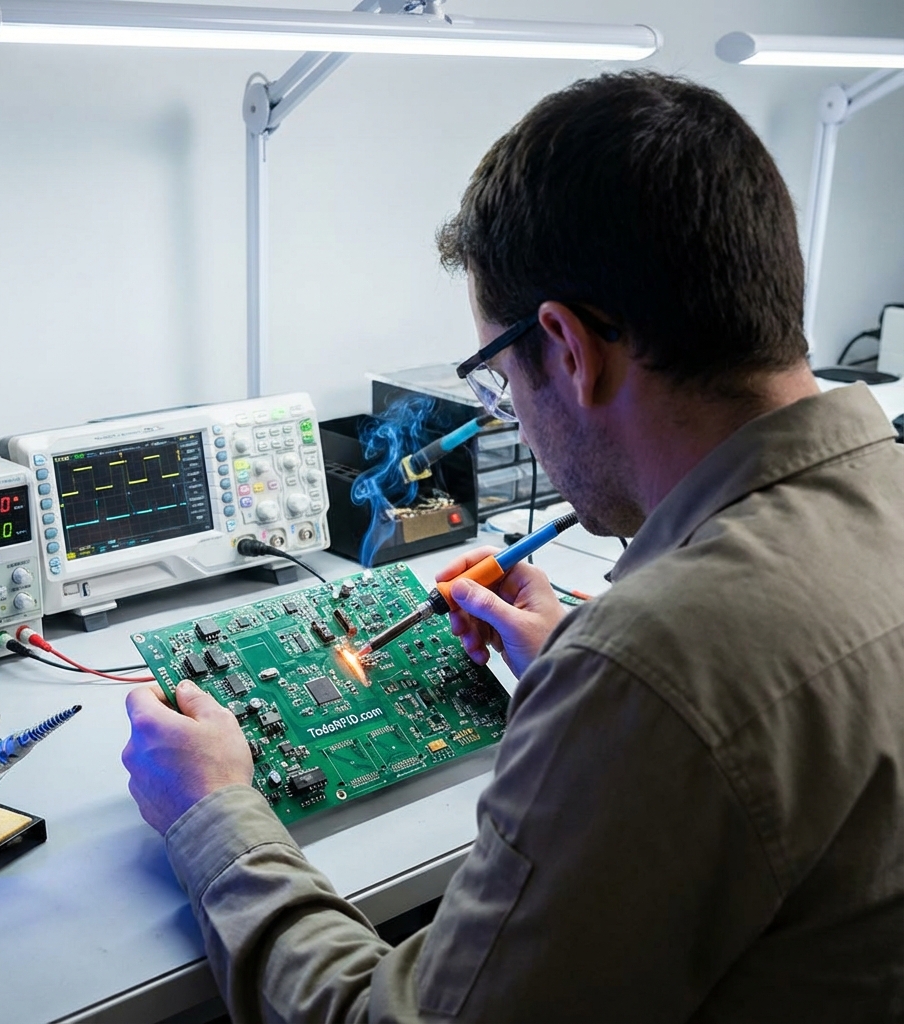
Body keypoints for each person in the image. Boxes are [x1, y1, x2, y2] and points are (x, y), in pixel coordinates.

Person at [122, 71, 904, 1022]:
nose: (515, 420)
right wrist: (587, 674)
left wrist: (213, 818)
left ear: (569, 349)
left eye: (496, 376)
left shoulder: (658, 667)